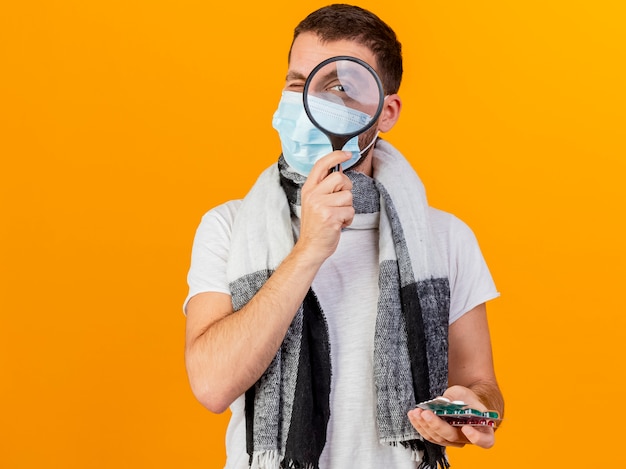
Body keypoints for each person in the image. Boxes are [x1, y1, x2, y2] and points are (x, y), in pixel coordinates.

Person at [183, 4, 504, 469]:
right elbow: (211, 385)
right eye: (297, 83)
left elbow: (484, 387)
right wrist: (309, 249)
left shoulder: (444, 238)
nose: (308, 102)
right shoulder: (228, 227)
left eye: (338, 87)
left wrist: (473, 409)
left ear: (386, 112)